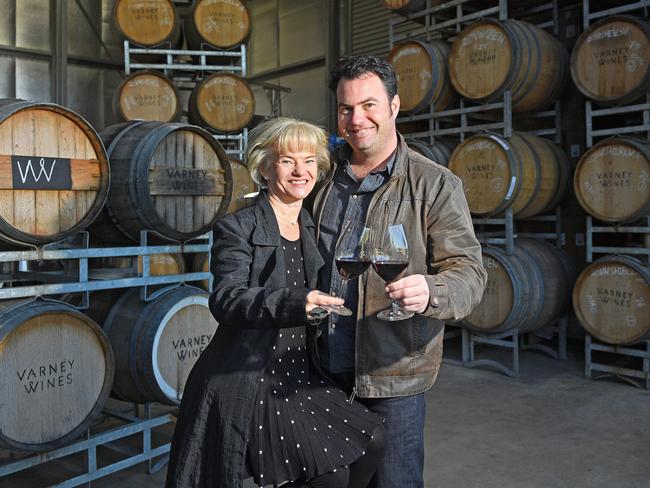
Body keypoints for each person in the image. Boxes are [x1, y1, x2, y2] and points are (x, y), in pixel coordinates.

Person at [166, 117, 385, 488]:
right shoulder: (238, 227)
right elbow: (226, 300)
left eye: (310, 160)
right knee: (328, 477)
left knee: (373, 442)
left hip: (299, 371)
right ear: (265, 167)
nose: (301, 171)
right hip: (251, 375)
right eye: (287, 161)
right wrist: (297, 303)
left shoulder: (311, 225)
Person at [310, 55, 488, 488]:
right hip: (319, 368)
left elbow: (469, 273)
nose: (357, 119)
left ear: (394, 106)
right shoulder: (318, 176)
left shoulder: (434, 184)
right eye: (346, 108)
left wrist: (431, 290)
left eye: (369, 105)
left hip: (393, 374)